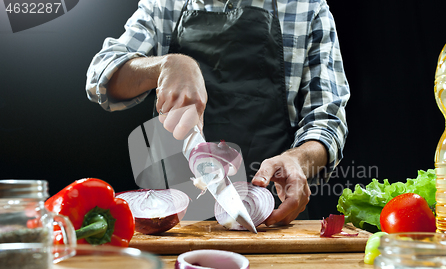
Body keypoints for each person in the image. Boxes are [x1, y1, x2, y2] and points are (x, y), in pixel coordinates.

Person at [85, 0, 349, 226]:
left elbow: (327, 119)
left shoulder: (307, 8)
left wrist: (298, 160)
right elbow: (100, 77)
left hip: (270, 217)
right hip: (170, 225)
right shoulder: (165, 4)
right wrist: (166, 65)